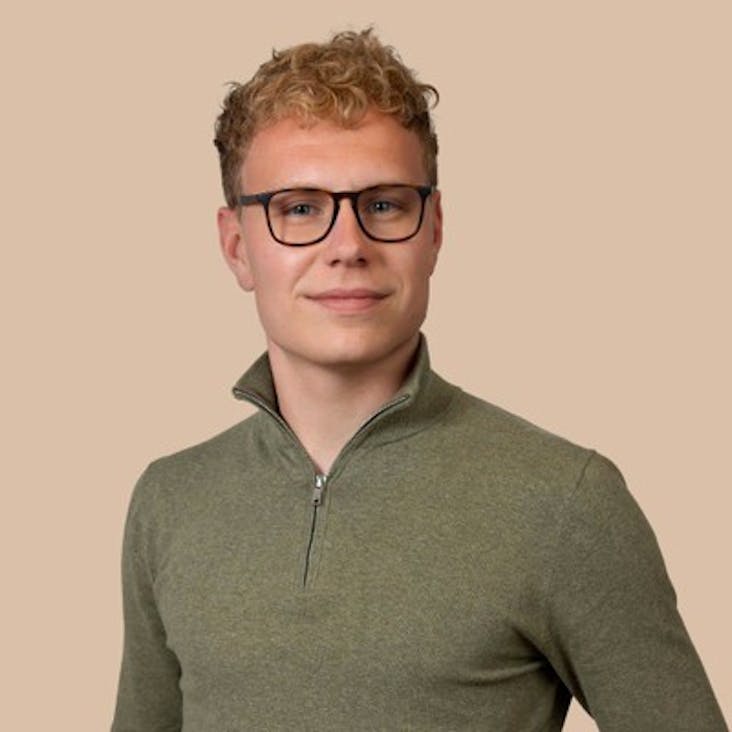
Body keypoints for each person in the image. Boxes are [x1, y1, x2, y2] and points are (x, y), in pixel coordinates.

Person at [111, 28, 727, 732]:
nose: (348, 247)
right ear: (236, 247)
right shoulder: (170, 501)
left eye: (384, 204)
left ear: (433, 229)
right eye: (300, 208)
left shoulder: (566, 501)